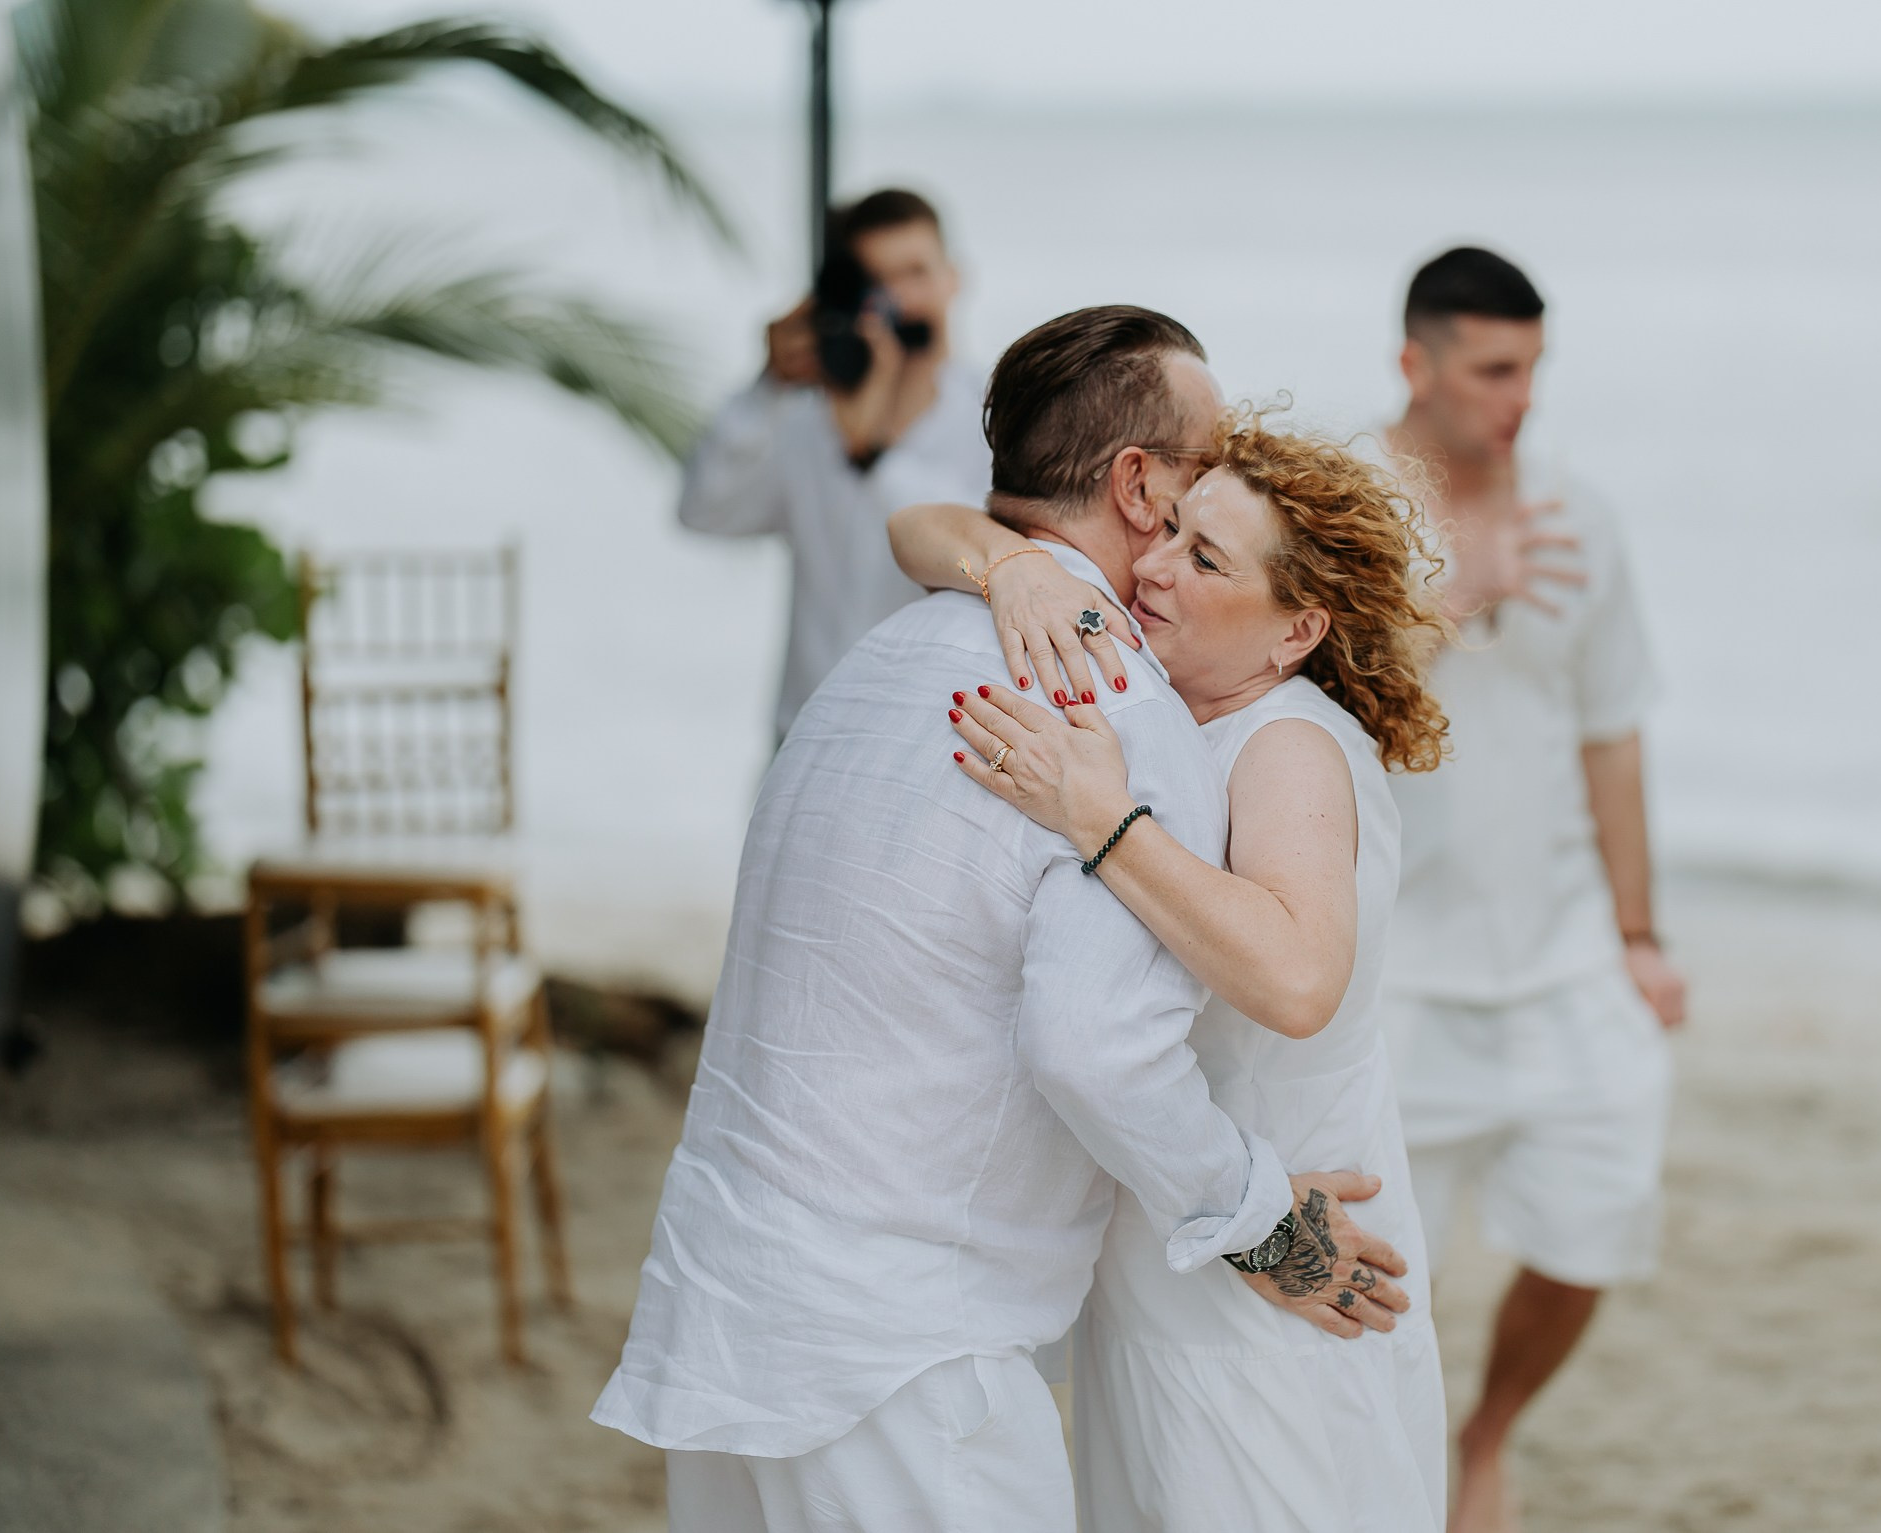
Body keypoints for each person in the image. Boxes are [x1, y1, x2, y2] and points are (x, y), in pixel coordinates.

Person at [591, 306, 1409, 1533]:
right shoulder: (1110, 707)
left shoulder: (871, 662)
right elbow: (1093, 1047)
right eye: (1205, 459)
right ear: (1140, 486)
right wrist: (1262, 1225)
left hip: (720, 1307)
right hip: (904, 1361)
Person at [892, 415, 1453, 1530]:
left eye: (1204, 560)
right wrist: (1012, 571)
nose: (1149, 566)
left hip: (1286, 1265)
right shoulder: (1169, 699)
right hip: (1181, 1246)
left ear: (1294, 631)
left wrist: (1104, 821)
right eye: (1169, 531)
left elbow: (1297, 981)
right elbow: (914, 527)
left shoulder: (1284, 742)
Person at [1374, 247, 1687, 1533]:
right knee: (1392, 1275)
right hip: (1390, 962)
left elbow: (1611, 728)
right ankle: (1398, 1479)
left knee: (1598, 1212)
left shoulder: (1576, 509)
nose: (1519, 399)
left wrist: (1638, 930)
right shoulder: (1335, 495)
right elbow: (1285, 692)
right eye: (1494, 370)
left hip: (1559, 944)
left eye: (1532, 369)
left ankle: (1485, 1433)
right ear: (1416, 364)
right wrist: (1453, 596)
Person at [677, 188, 990, 741]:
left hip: (929, 741)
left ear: (954, 278)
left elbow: (978, 559)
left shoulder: (996, 420)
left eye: (915, 273)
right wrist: (769, 386)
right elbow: (704, 511)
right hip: (803, 733)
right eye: (877, 281)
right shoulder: (802, 420)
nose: (897, 301)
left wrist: (870, 453)